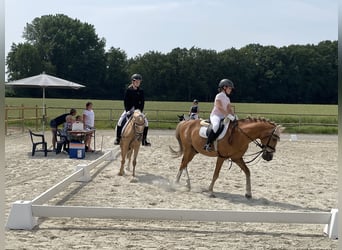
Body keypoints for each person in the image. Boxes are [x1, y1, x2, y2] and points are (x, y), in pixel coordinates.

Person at [114, 73, 151, 146]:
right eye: (136, 81)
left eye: (139, 82)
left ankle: (144, 140)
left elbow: (142, 102)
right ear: (133, 82)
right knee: (120, 121)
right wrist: (127, 110)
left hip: (138, 111)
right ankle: (118, 138)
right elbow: (126, 101)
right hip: (129, 110)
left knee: (146, 123)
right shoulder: (128, 90)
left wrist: (140, 111)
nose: (138, 83)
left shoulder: (141, 91)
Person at [203, 79, 236, 151]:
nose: (230, 90)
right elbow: (219, 107)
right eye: (229, 88)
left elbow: (229, 109)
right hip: (216, 115)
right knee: (216, 126)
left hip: (224, 116)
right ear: (224, 87)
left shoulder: (227, 98)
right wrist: (228, 115)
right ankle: (208, 144)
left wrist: (234, 116)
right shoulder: (219, 96)